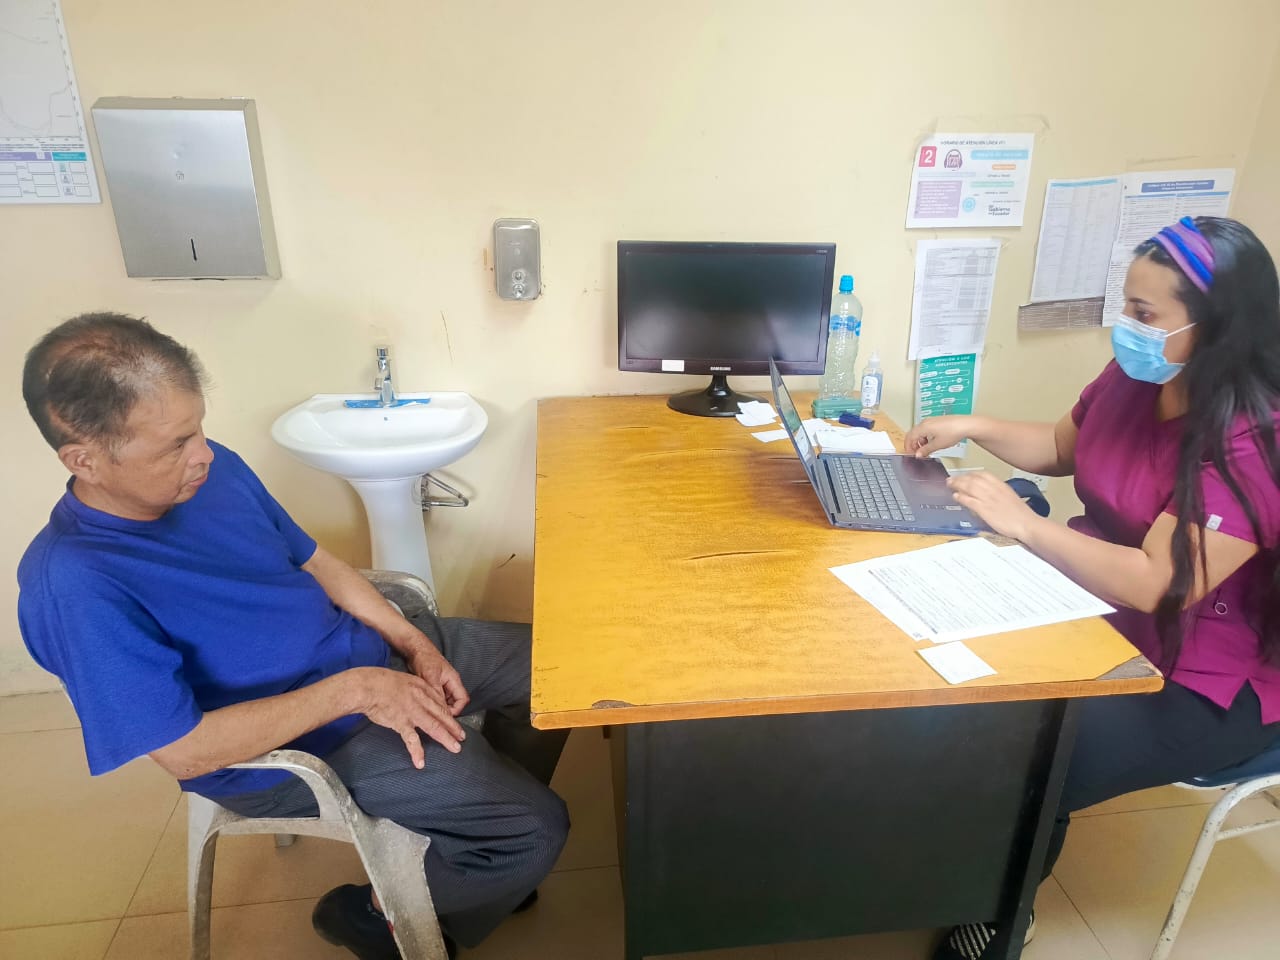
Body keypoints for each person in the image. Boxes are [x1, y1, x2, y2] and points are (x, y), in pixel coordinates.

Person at [17, 313, 570, 960]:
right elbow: (187, 753)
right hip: (309, 741)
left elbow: (316, 562)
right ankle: (381, 913)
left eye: (199, 429)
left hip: (367, 662)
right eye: (174, 445)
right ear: (84, 459)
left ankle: (485, 858)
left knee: (565, 674)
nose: (202, 454)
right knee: (536, 828)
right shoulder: (75, 583)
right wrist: (359, 690)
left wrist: (413, 643)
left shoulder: (213, 473)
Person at [902, 216, 1280, 959]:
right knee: (953, 689)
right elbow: (1059, 446)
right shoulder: (1141, 377)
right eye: (1126, 306)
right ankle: (930, 856)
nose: (1125, 328)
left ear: (1216, 327)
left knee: (1033, 756)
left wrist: (1024, 525)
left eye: (1144, 313)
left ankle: (1000, 918)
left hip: (1205, 672)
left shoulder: (1254, 438)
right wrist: (972, 425)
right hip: (1098, 601)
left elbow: (1158, 584)